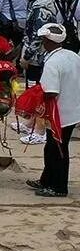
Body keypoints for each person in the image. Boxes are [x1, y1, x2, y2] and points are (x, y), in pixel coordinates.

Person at [33, 23, 80, 198]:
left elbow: (50, 91)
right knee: (52, 148)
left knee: (58, 149)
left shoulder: (53, 62)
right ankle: (46, 179)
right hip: (73, 108)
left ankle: (59, 187)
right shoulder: (72, 55)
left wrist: (34, 102)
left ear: (47, 41)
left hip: (59, 113)